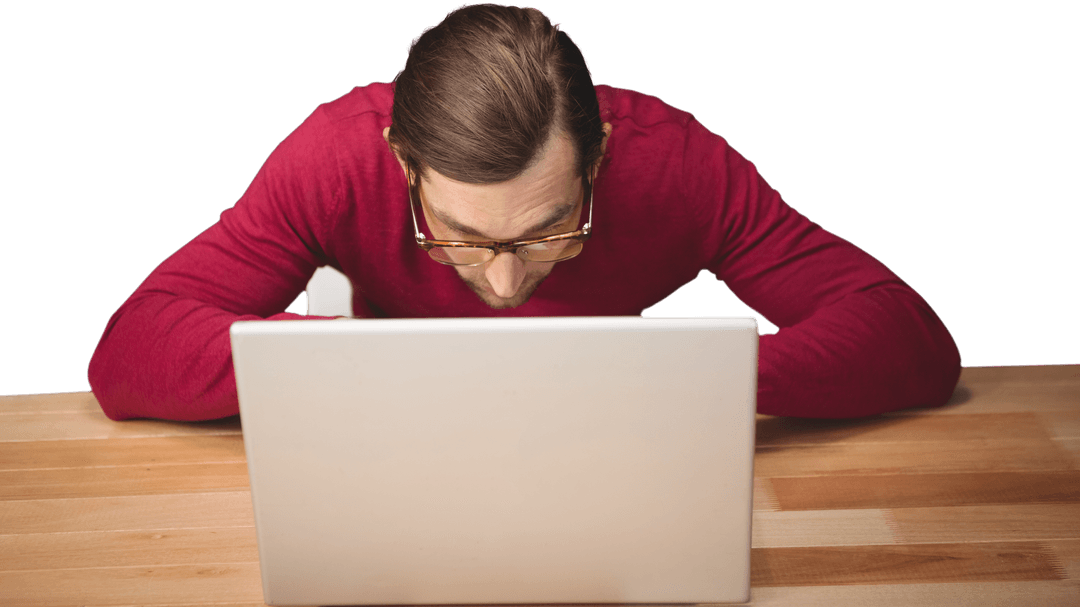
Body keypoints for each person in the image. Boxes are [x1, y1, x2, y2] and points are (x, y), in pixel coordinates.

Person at [88, 4, 961, 422]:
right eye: (462, 237)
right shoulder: (331, 156)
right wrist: (346, 366)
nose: (504, 283)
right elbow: (130, 352)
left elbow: (909, 337)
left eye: (550, 230)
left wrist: (693, 379)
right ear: (401, 161)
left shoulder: (678, 163)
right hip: (396, 437)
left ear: (602, 158)